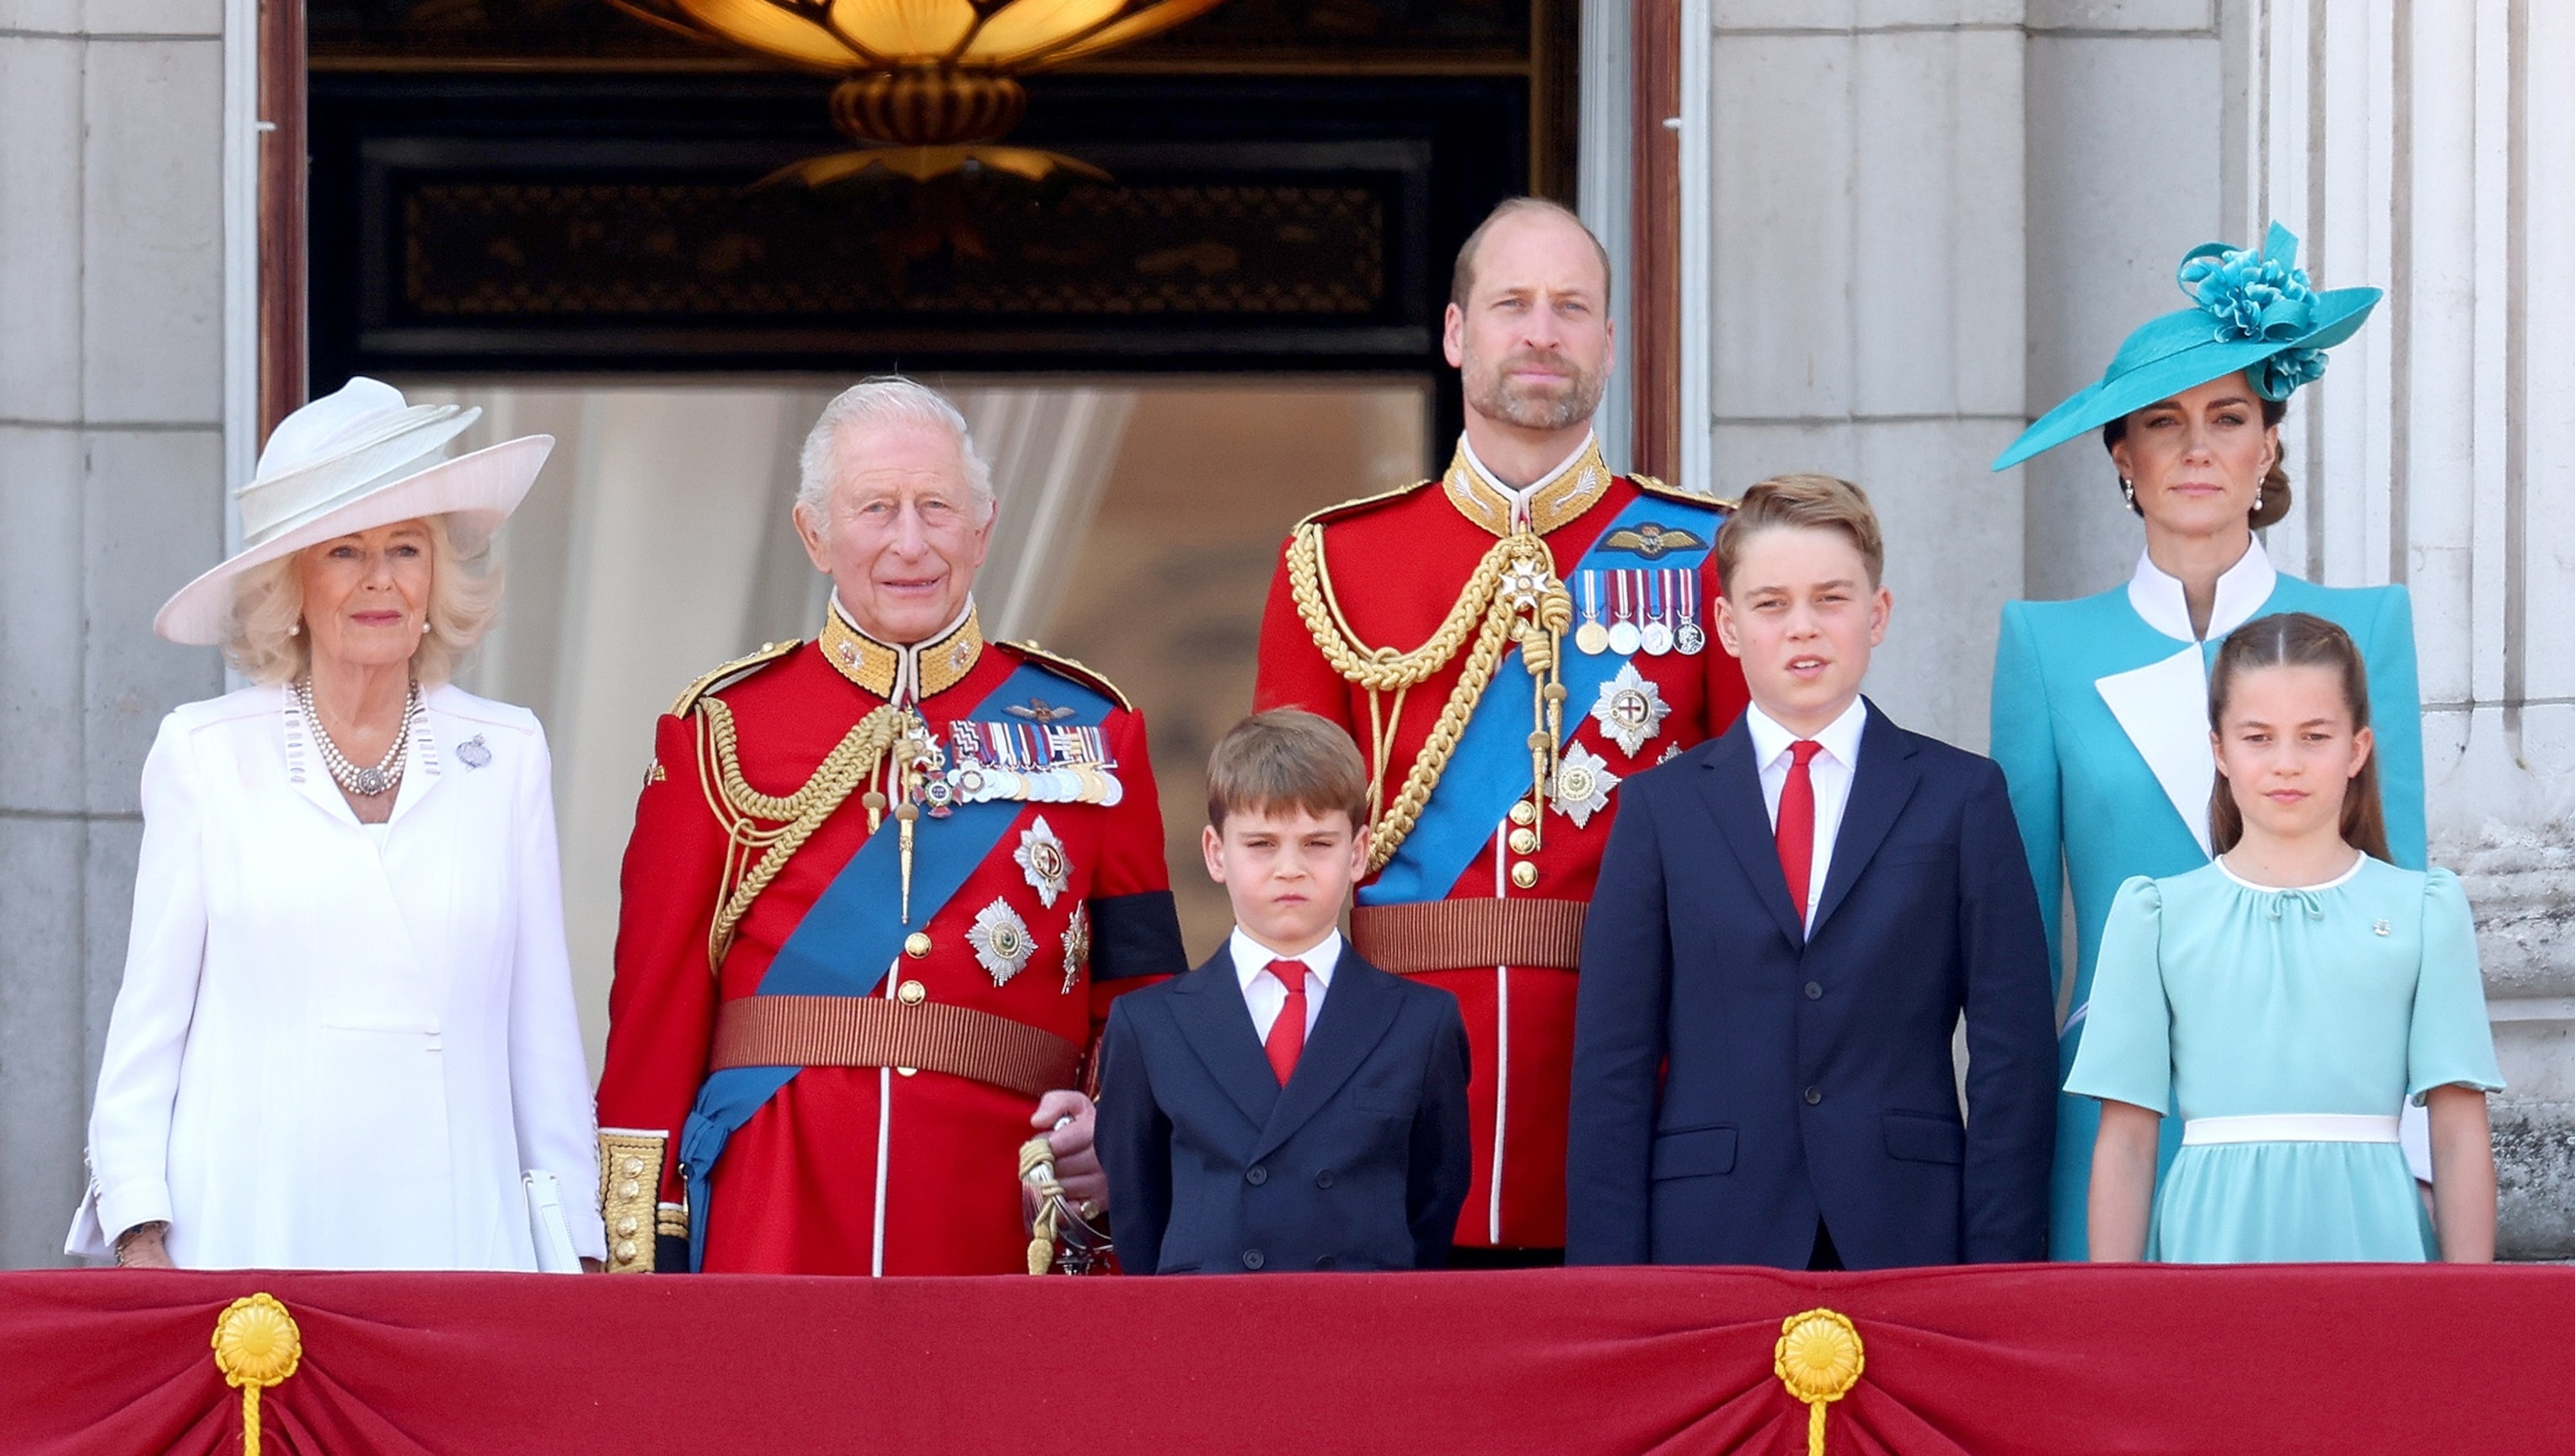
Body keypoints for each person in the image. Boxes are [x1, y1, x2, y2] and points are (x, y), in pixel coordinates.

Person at [594, 377, 1187, 1276]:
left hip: (998, 1225)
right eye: (876, 508)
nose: (910, 543)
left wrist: (1117, 1141)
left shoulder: (1092, 733)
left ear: (983, 531)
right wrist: (642, 1254)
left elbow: (1140, 999)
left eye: (937, 508)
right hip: (774, 1217)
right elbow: (655, 1021)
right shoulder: (720, 730)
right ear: (815, 534)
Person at [1255, 197, 1748, 1264]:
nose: (1541, 331)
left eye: (1572, 308)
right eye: (1512, 304)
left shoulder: (1710, 556)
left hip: (1633, 1078)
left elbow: (1755, 855)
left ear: (1610, 343)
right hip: (1386, 1089)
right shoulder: (1336, 563)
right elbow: (1280, 865)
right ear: (1454, 334)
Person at [72, 377, 604, 1271]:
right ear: (293, 584)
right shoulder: (207, 753)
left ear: (437, 574)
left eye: (405, 547)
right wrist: (139, 1230)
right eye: (345, 551)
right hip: (254, 1232)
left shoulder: (506, 754)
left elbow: (540, 1031)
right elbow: (147, 1026)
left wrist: (577, 1250)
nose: (380, 580)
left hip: (461, 1250)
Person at [1988, 222, 2426, 1260]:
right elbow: (2018, 945)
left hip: (2326, 1110)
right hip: (2117, 1112)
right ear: (2121, 455)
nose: (2196, 449)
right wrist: (2006, 1155)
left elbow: (2403, 895)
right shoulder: (2043, 646)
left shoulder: (2366, 626)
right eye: (2162, 422)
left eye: (2228, 418)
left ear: (2267, 445)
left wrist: (2415, 1140)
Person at [1566, 475, 2056, 1270]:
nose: (1804, 629)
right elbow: (1614, 1064)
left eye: (1831, 599)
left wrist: (1999, 1267)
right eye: (1771, 604)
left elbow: (2014, 1054)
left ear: (1878, 614)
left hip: (1909, 1234)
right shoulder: (1660, 811)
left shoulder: (1961, 797)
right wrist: (1606, 1287)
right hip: (1707, 1238)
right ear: (1726, 625)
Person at [2068, 613, 2500, 1262]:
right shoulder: (2157, 916)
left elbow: (2460, 1130)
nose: (2286, 764)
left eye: (2314, 736)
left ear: (2357, 749)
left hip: (2375, 1244)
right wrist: (2112, 1323)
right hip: (2208, 1248)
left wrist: (2472, 1314)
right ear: (2219, 750)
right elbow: (2127, 1141)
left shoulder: (2423, 910)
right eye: (2259, 738)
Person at [1097, 709, 1472, 1273]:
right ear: (1216, 852)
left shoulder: (1422, 1022)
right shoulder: (1148, 1027)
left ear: (1358, 851)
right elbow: (1138, 1210)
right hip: (1210, 1335)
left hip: (1362, 1333)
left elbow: (1433, 1201)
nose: (1290, 869)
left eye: (1318, 843)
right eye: (1262, 844)